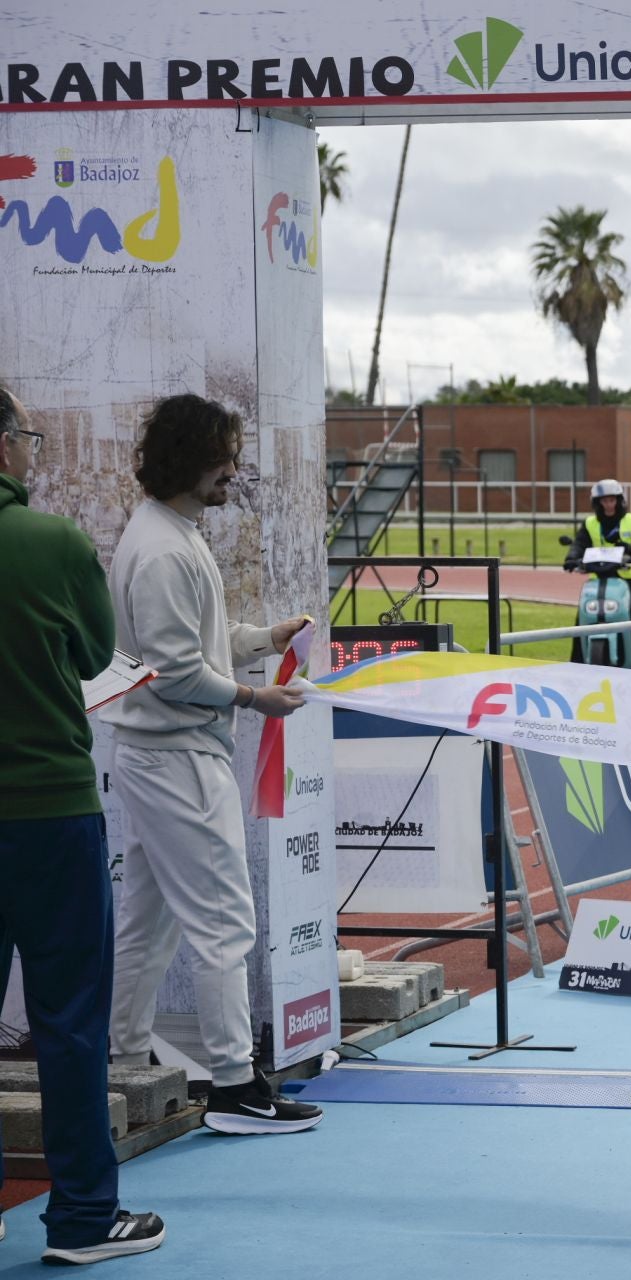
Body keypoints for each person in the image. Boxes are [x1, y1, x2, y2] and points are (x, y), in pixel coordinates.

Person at [102, 394, 323, 1136]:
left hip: (160, 753)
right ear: (191, 459)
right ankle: (234, 1086)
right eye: (225, 456)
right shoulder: (164, 548)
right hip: (177, 757)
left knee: (149, 922)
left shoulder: (168, 533)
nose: (235, 469)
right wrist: (258, 697)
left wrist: (263, 637)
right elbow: (173, 672)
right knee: (225, 923)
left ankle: (125, 1059)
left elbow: (191, 644)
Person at [0, 387, 167, 1263]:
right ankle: (83, 1219)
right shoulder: (52, 542)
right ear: (2, 447)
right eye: (25, 436)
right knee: (68, 1022)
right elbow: (98, 658)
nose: (32, 451)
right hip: (48, 810)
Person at [563, 478, 631, 670]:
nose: (609, 504)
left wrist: (630, 548)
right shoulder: (590, 523)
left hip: (629, 577)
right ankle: (576, 664)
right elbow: (579, 544)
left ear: (619, 500)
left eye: (612, 500)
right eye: (604, 501)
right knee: (582, 616)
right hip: (599, 577)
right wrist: (571, 559)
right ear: (597, 503)